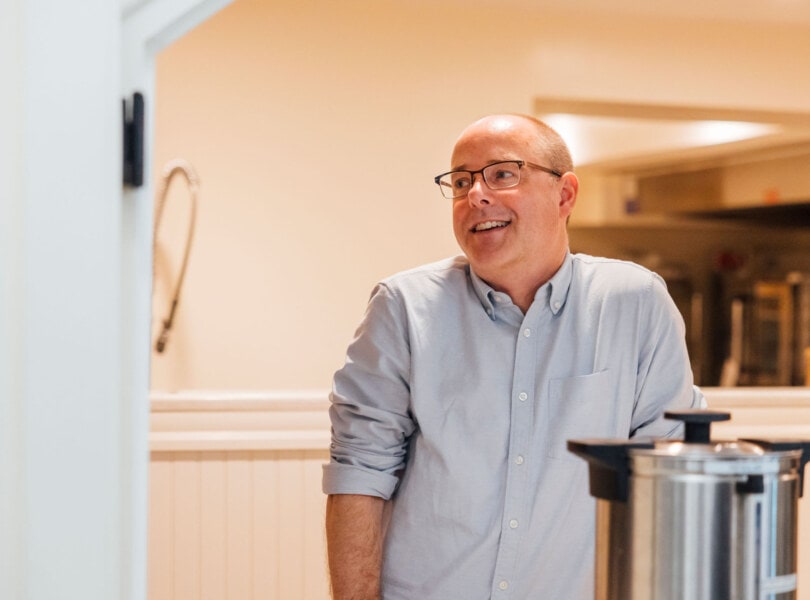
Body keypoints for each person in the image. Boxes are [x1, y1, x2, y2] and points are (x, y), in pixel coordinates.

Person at [322, 113, 704, 599]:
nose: (476, 195)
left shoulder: (634, 303)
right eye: (462, 182)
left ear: (565, 195)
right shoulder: (403, 307)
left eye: (502, 174)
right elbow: (359, 471)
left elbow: (667, 480)